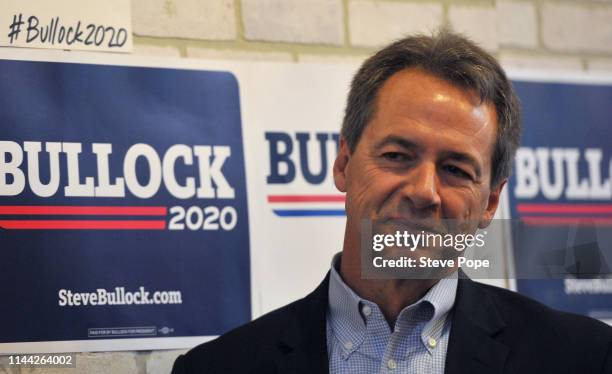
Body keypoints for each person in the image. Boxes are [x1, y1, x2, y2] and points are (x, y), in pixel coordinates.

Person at [171, 29, 612, 374]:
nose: (423, 190)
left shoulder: (583, 360)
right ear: (344, 163)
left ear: (490, 203)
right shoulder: (218, 368)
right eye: (398, 156)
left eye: (456, 170)